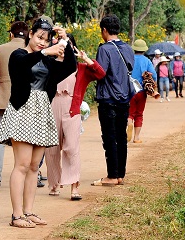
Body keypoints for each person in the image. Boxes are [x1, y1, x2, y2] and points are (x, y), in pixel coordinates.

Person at [0, 18, 76, 228]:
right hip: (22, 111)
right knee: (21, 165)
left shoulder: (47, 60)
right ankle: (16, 215)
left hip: (41, 113)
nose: (42, 42)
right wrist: (45, 52)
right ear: (30, 34)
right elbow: (22, 65)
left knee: (33, 167)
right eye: (39, 37)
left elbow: (68, 67)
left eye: (46, 40)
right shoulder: (18, 55)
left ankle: (28, 211)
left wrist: (66, 40)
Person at [46, 34, 105, 200]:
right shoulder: (49, 65)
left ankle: (74, 186)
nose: (63, 49)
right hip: (51, 109)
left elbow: (100, 74)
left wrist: (86, 59)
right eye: (59, 45)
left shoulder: (80, 68)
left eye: (67, 45)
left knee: (72, 148)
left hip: (72, 110)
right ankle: (54, 183)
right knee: (51, 149)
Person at [91, 14, 134, 187]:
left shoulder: (104, 49)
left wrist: (89, 64)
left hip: (108, 98)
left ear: (104, 30)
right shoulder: (128, 48)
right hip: (124, 97)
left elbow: (100, 72)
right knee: (121, 137)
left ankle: (112, 175)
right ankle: (120, 174)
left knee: (109, 137)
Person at [0, 21, 28, 192]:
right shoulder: (30, 50)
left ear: (11, 34)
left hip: (3, 98)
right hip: (25, 100)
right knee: (25, 139)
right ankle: (27, 174)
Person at [125, 39, 157, 144]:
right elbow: (154, 76)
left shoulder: (128, 59)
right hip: (141, 92)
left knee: (130, 112)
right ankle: (136, 137)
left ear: (134, 49)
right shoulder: (147, 61)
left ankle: (129, 123)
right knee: (139, 114)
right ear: (144, 50)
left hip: (129, 91)